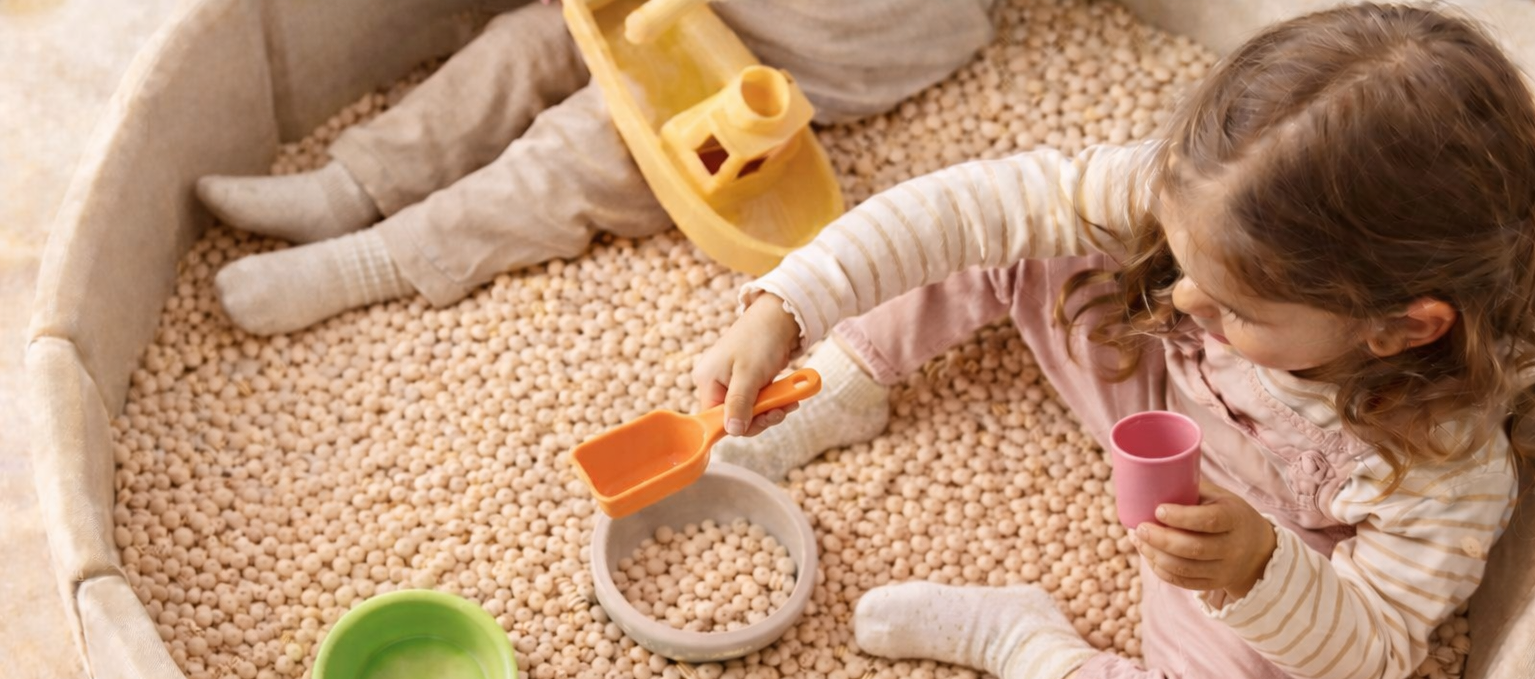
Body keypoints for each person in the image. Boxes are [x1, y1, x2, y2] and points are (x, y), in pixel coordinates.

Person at [692, 2, 1535, 679]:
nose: (1186, 300)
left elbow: (1374, 648)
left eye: (1237, 306)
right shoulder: (1216, 201)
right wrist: (789, 308)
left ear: (1400, 329)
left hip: (1255, 537)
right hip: (1148, 378)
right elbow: (974, 207)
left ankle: (1022, 642)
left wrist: (1256, 570)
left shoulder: (1443, 460)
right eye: (1185, 259)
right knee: (1005, 226)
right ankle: (852, 382)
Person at [196, 0, 995, 336]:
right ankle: (348, 190)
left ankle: (376, 260)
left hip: (817, 41)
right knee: (527, 45)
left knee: (605, 144)